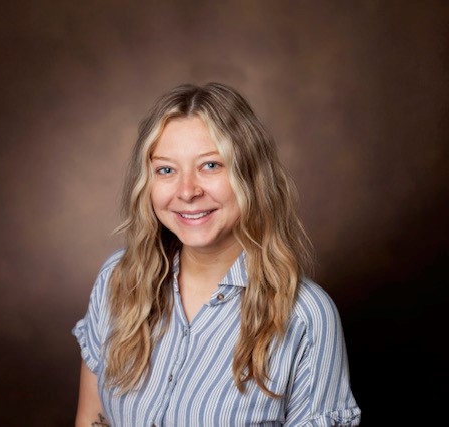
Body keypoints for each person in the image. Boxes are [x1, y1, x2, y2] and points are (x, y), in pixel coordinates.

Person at [73, 82, 361, 426]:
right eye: (166, 169)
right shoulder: (118, 280)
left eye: (210, 165)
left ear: (252, 176)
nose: (187, 191)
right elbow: (92, 418)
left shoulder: (306, 318)